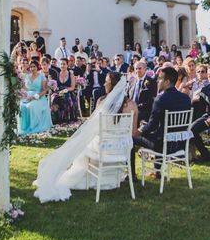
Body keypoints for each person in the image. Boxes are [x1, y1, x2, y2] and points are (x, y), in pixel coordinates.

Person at [33, 72, 137, 202]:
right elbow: (133, 133)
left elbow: (94, 128)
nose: (104, 83)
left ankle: (93, 176)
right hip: (123, 149)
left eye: (106, 81)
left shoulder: (102, 102)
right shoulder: (132, 105)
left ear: (113, 85)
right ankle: (111, 177)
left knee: (84, 149)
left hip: (103, 149)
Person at [131, 66, 191, 177]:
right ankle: (157, 171)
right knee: (158, 134)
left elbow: (152, 126)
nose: (158, 81)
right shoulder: (185, 98)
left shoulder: (160, 99)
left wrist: (139, 130)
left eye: (160, 78)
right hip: (180, 143)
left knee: (131, 139)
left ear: (167, 82)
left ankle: (132, 175)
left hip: (163, 145)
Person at [19, 60, 52, 134]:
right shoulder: (27, 76)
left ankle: (33, 126)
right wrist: (22, 94)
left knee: (31, 106)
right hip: (28, 96)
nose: (32, 68)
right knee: (22, 105)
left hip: (39, 97)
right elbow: (25, 88)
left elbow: (44, 90)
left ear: (37, 67)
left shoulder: (42, 76)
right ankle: (24, 127)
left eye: (34, 66)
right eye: (31, 67)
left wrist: (35, 96)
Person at [51, 58, 78, 122]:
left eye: (64, 64)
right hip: (59, 91)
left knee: (66, 97)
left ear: (67, 65)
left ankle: (66, 118)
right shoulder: (57, 74)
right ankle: (56, 118)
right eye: (61, 64)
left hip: (69, 91)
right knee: (53, 98)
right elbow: (54, 85)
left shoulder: (71, 75)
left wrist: (65, 90)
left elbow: (72, 87)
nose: (62, 66)